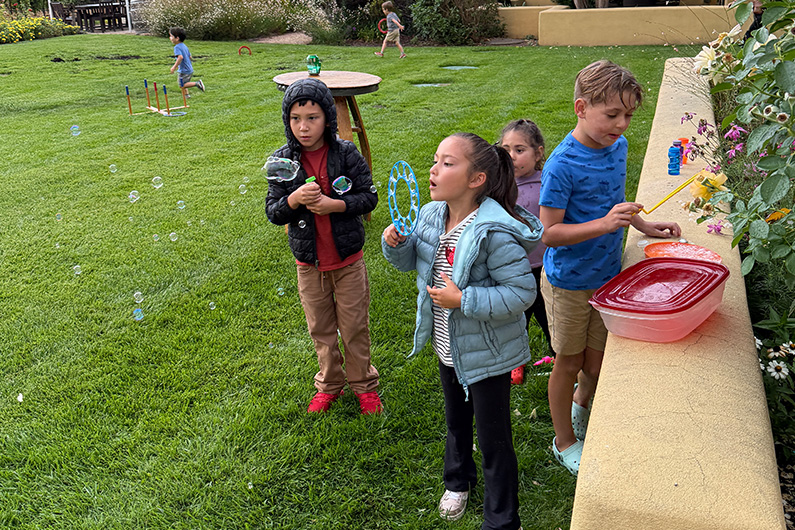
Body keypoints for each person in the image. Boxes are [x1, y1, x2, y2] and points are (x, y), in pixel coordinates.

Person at [382, 133, 542, 529]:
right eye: (435, 160)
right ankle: (458, 480)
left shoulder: (493, 232)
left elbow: (522, 292)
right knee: (456, 422)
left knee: (494, 439)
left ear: (477, 180)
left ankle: (503, 519)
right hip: (447, 345)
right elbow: (410, 263)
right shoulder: (431, 215)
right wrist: (397, 244)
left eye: (447, 163)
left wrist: (464, 300)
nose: (433, 170)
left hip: (489, 355)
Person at [539, 60, 681, 476]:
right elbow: (548, 233)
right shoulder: (562, 165)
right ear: (582, 108)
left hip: (607, 276)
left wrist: (643, 225)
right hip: (568, 282)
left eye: (629, 116)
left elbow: (614, 202)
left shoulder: (616, 147)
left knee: (597, 362)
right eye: (613, 115)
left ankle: (581, 407)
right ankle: (563, 441)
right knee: (568, 362)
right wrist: (603, 225)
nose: (622, 125)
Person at [266, 78, 382, 415]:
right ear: (287, 120)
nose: (304, 127)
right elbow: (273, 211)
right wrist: (294, 198)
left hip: (347, 261)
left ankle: (364, 386)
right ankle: (330, 384)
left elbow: (369, 196)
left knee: (354, 326)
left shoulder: (346, 153)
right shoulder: (282, 161)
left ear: (328, 119)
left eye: (312, 118)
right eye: (295, 118)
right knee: (321, 329)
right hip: (310, 266)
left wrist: (336, 206)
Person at [498, 119, 554, 385]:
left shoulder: (548, 183)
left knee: (549, 316)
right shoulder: (498, 186)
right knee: (516, 320)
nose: (512, 156)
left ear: (538, 152)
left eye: (520, 150)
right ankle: (515, 362)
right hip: (513, 268)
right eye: (506, 149)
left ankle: (559, 355)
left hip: (544, 267)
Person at [169, 27, 205, 98]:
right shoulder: (184, 46)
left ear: (177, 38)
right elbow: (190, 56)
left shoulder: (177, 47)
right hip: (189, 69)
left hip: (184, 70)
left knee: (181, 85)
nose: (170, 38)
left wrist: (174, 66)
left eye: (171, 36)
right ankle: (186, 95)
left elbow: (180, 57)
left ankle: (197, 84)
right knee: (184, 83)